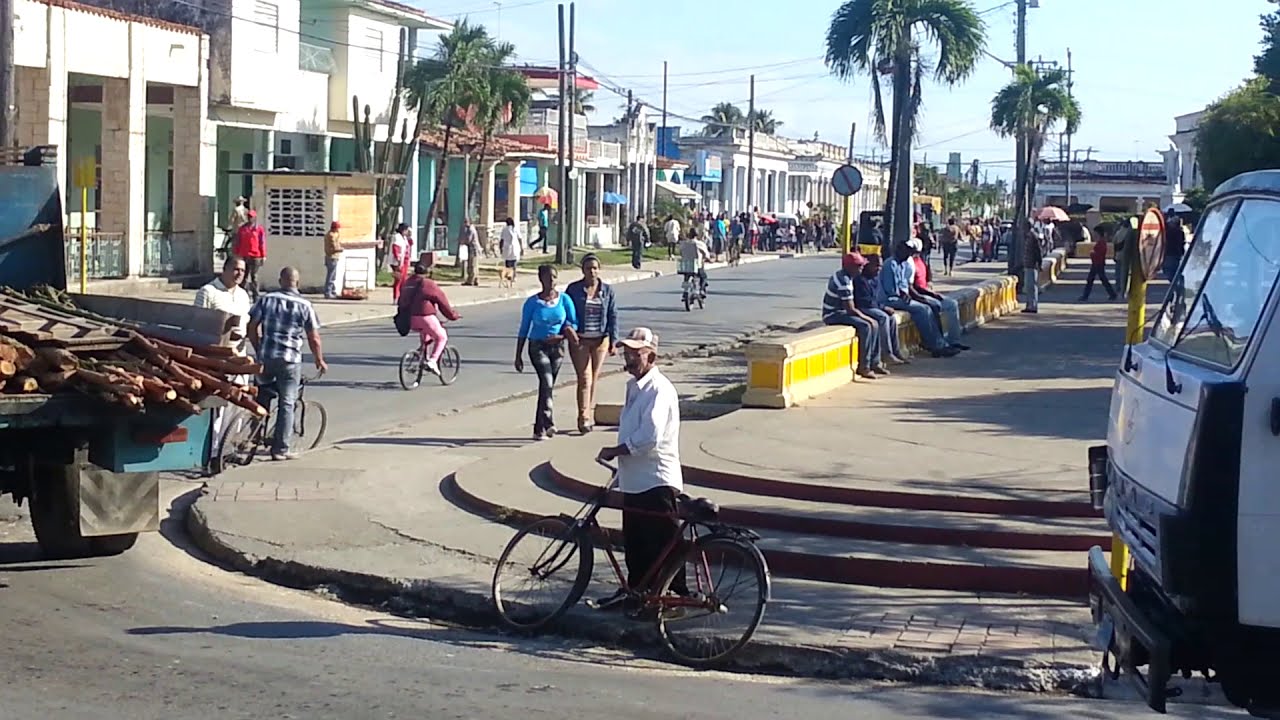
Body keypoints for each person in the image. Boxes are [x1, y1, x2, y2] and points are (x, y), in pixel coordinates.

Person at [594, 327, 687, 610]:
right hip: (635, 479)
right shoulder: (635, 387)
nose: (629, 358)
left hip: (655, 479)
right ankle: (637, 594)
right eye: (627, 352)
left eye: (636, 353)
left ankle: (672, 598)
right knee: (636, 546)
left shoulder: (658, 389)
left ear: (651, 356)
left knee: (664, 545)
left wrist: (616, 450)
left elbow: (649, 437)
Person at [246, 267, 328, 461]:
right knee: (287, 402)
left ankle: (253, 438)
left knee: (261, 397)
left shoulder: (267, 299)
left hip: (265, 357)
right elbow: (314, 338)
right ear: (297, 283)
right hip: (289, 361)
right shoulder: (305, 305)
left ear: (280, 280)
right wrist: (319, 360)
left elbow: (251, 327)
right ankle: (280, 449)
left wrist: (259, 348)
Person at [194, 255, 253, 470]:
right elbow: (197, 324)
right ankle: (212, 453)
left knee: (237, 404)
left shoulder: (244, 295)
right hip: (217, 359)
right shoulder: (208, 292)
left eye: (243, 271)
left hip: (239, 357)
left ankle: (228, 449)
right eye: (236, 269)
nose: (239, 274)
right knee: (217, 408)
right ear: (225, 269)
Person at [515, 264, 578, 440]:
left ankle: (538, 428)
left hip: (557, 347)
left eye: (554, 277)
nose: (551, 281)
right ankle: (549, 422)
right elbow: (524, 328)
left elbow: (573, 322)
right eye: (547, 277)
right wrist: (518, 355)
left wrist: (564, 334)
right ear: (540, 279)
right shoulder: (532, 303)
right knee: (546, 380)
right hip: (537, 346)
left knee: (547, 387)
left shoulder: (564, 300)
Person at [566, 254, 619, 434]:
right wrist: (569, 331)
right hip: (580, 340)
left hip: (600, 340)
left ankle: (588, 411)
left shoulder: (607, 290)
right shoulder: (573, 290)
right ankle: (583, 418)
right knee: (584, 378)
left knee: (594, 378)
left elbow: (613, 315)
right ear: (583, 270)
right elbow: (566, 312)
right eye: (588, 268)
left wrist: (613, 340)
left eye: (595, 268)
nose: (592, 271)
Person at [881, 243, 960, 359]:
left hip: (902, 297)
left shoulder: (903, 264)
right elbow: (891, 289)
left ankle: (939, 343)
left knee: (928, 308)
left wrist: (907, 294)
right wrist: (905, 295)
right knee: (922, 310)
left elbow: (905, 285)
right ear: (899, 250)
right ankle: (935, 345)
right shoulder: (890, 264)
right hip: (891, 299)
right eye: (906, 251)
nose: (908, 254)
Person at [822, 252, 886, 378]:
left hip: (842, 312)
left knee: (875, 324)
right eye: (859, 266)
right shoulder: (843, 281)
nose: (861, 268)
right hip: (833, 314)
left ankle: (875, 362)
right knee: (867, 326)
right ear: (850, 267)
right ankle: (864, 366)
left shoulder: (848, 278)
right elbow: (850, 309)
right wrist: (866, 318)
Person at [399, 260, 461, 374]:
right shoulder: (427, 283)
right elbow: (442, 301)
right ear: (427, 272)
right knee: (442, 337)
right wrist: (452, 315)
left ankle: (424, 356)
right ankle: (432, 361)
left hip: (409, 319)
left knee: (426, 334)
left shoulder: (408, 282)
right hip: (425, 317)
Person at [855, 254, 909, 365]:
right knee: (883, 317)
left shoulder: (875, 279)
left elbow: (875, 298)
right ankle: (886, 353)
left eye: (880, 267)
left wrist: (882, 307)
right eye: (876, 266)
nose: (878, 269)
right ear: (868, 265)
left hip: (873, 305)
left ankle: (896, 351)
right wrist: (883, 307)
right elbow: (865, 301)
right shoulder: (861, 279)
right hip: (862, 307)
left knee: (892, 319)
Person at [232, 209, 266, 299]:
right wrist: (236, 253)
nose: (250, 218)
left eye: (252, 217)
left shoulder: (259, 229)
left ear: (255, 218)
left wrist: (263, 255)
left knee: (254, 276)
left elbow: (262, 242)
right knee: (244, 276)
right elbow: (238, 242)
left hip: (256, 256)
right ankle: (243, 295)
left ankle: (256, 296)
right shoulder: (243, 229)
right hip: (244, 255)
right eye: (249, 217)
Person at [1080, 231, 1118, 302]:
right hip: (1097, 263)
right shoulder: (1101, 242)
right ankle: (1112, 294)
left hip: (1098, 263)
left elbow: (1099, 253)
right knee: (1098, 280)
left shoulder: (1101, 243)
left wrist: (1092, 254)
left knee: (1095, 280)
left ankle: (1085, 296)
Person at [677, 227, 711, 297]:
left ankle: (685, 291)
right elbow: (706, 254)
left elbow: (681, 252)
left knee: (686, 277)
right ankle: (701, 289)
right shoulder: (699, 244)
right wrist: (707, 258)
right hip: (696, 266)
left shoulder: (684, 243)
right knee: (704, 277)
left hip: (686, 266)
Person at [1021, 218, 1043, 314]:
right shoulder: (1028, 236)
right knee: (1028, 287)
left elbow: (1038, 251)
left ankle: (1033, 306)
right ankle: (1029, 304)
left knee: (1032, 286)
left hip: (1032, 264)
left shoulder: (1033, 236)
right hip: (1027, 264)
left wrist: (1039, 263)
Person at [389, 223, 412, 302]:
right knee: (398, 279)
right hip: (398, 262)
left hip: (405, 261)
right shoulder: (397, 237)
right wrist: (398, 260)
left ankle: (402, 297)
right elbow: (396, 249)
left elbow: (410, 244)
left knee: (404, 280)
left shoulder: (404, 238)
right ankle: (396, 297)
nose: (406, 232)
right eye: (406, 230)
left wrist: (410, 237)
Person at [500, 216, 523, 288]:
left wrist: (500, 247)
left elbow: (502, 240)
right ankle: (514, 276)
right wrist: (522, 247)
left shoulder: (504, 229)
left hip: (507, 248)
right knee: (514, 263)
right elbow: (520, 238)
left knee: (507, 264)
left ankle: (508, 277)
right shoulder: (516, 229)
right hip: (515, 247)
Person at [323, 221, 343, 299]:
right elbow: (334, 247)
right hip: (332, 257)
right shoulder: (332, 236)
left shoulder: (330, 234)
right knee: (331, 276)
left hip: (331, 257)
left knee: (332, 275)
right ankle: (328, 292)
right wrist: (341, 249)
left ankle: (332, 291)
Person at [1164, 215, 1186, 280]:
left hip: (1169, 253)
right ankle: (1178, 284)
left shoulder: (1169, 231)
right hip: (1177, 253)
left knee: (1169, 270)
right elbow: (1182, 242)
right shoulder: (1180, 232)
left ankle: (1173, 284)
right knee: (1175, 269)